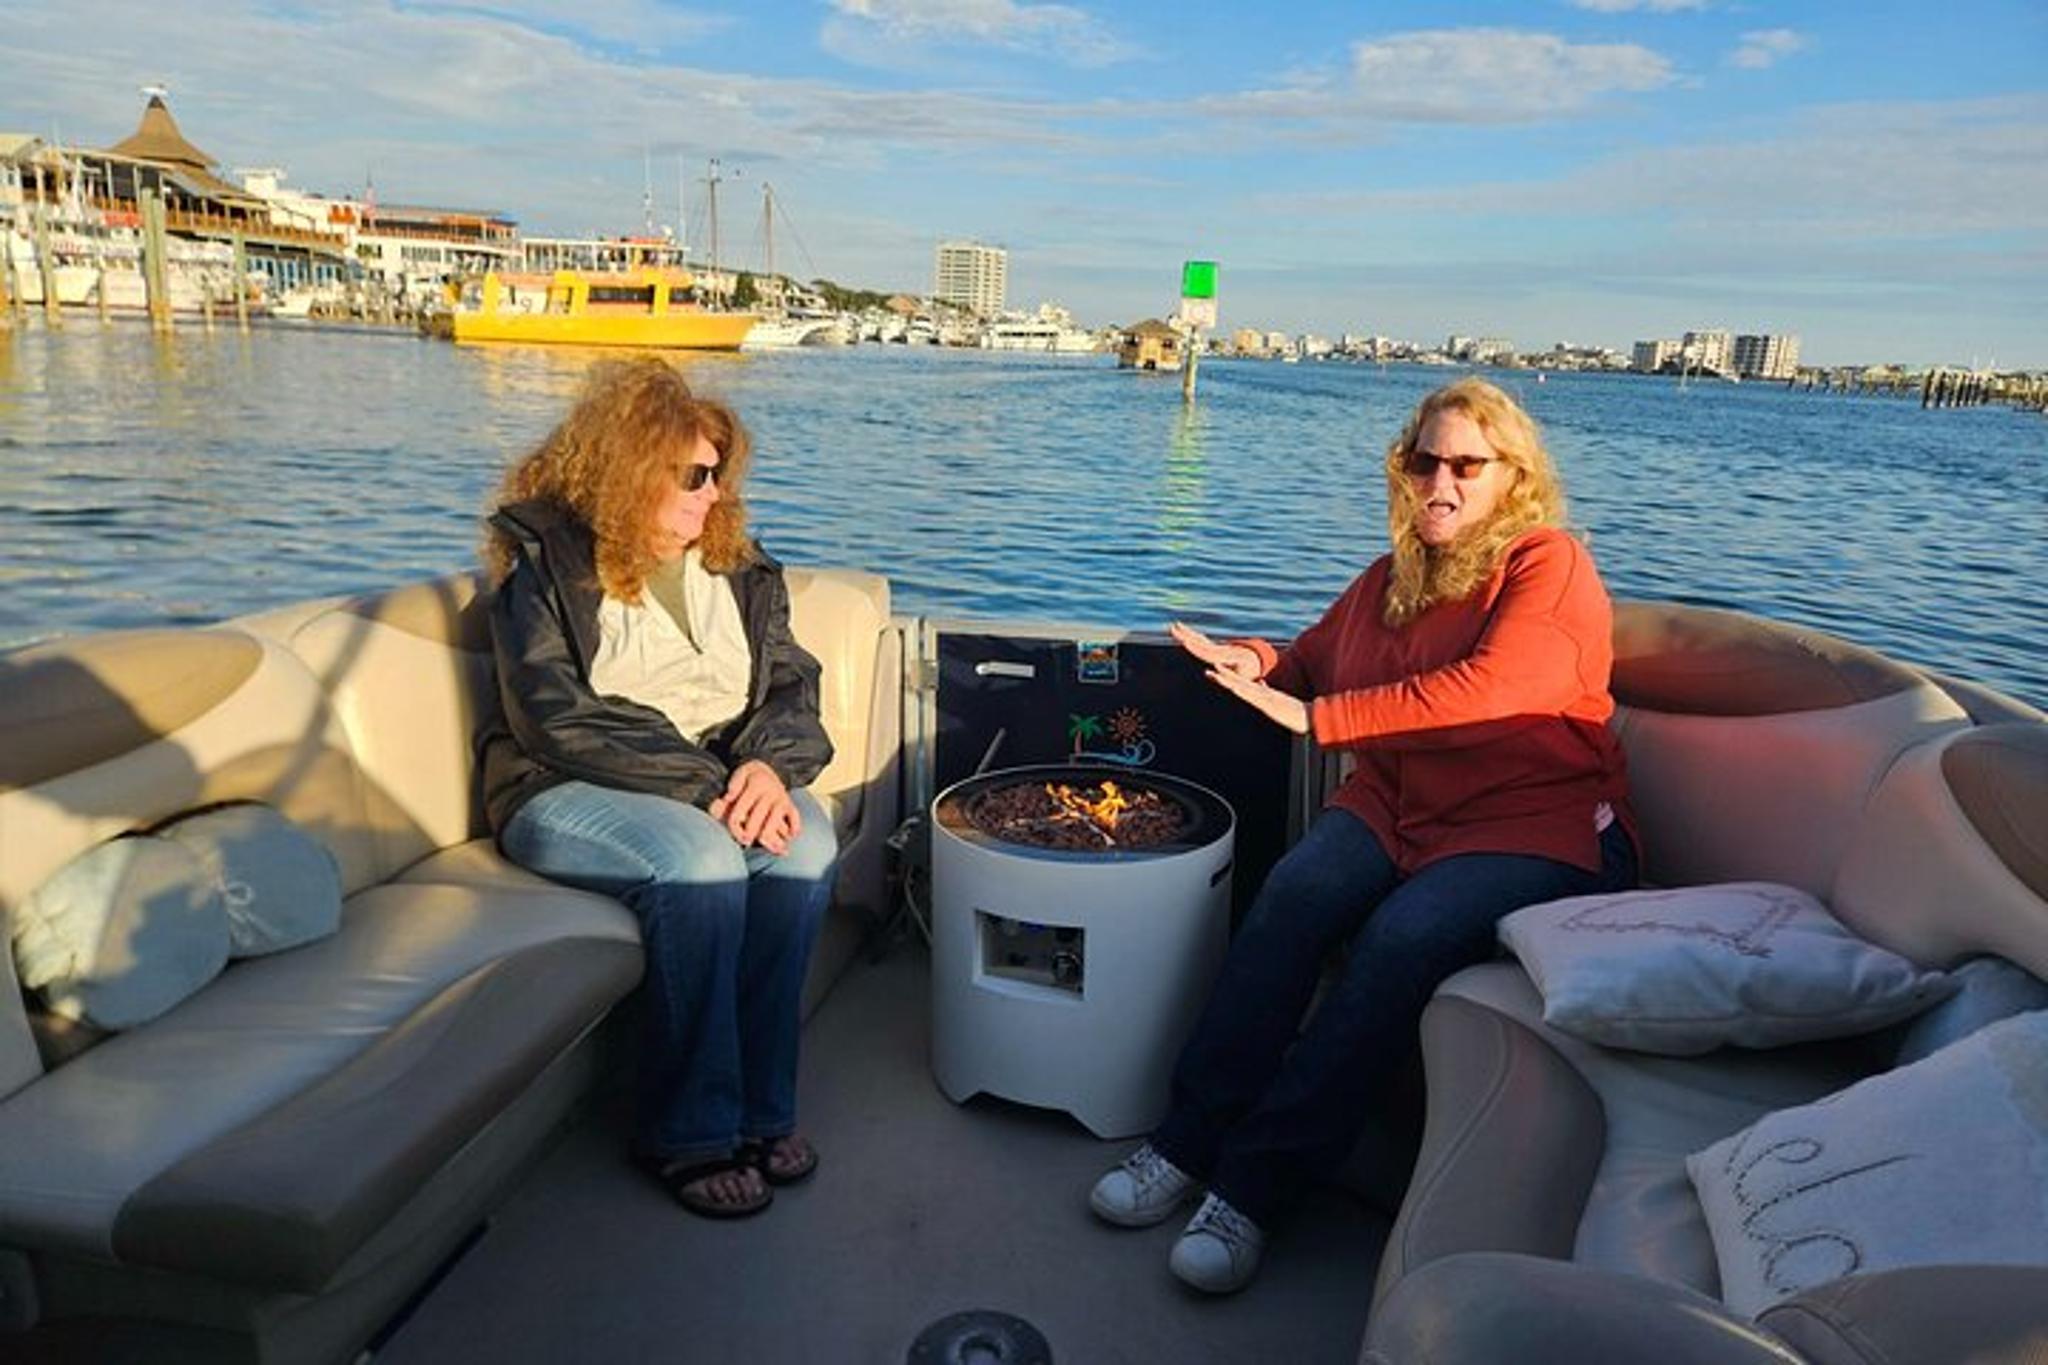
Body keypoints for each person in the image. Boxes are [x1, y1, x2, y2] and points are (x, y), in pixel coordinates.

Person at [1089, 377, 1637, 1292]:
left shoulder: (1547, 563)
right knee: (1292, 897)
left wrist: (1320, 720)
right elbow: (1310, 659)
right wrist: (1253, 661)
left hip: (1530, 819)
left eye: (1468, 464)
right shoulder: (1395, 576)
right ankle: (1185, 1142)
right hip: (1400, 805)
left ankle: (1255, 1189)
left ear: (1514, 476)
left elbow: (1497, 688)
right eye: (1424, 460)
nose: (1441, 482)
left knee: (1399, 940)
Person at [480, 358, 838, 1219]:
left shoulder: (740, 569)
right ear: (629, 469)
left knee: (807, 846)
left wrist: (767, 768)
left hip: (708, 782)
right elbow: (553, 714)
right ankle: (685, 1129)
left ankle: (761, 1110)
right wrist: (716, 786)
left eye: (719, 474)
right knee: (702, 861)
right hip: (561, 786)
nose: (713, 494)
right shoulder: (546, 559)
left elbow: (791, 687)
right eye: (693, 476)